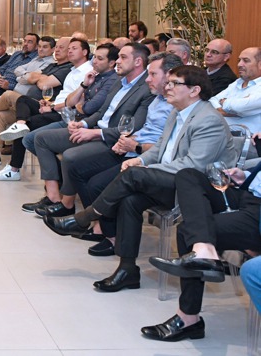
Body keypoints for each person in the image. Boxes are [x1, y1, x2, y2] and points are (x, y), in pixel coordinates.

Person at [44, 66, 238, 293]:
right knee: (130, 201)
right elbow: (160, 149)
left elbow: (194, 166)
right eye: (168, 82)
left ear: (195, 90)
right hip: (170, 179)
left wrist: (146, 168)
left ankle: (84, 218)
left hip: (197, 190)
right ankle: (127, 270)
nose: (167, 87)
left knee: (133, 175)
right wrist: (141, 160)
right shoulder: (177, 112)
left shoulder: (208, 120)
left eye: (175, 83)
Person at [70, 52, 181, 255]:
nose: (147, 79)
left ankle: (107, 233)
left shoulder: (177, 107)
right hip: (135, 149)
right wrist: (127, 142)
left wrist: (135, 147)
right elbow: (146, 130)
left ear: (170, 75)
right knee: (77, 167)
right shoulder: (158, 99)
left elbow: (167, 147)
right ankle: (100, 227)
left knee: (97, 184)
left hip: (149, 159)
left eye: (153, 74)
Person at [24, 43, 154, 211]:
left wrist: (94, 133)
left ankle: (67, 205)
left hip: (113, 140)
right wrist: (83, 124)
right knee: (41, 139)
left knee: (71, 156)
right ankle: (53, 197)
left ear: (138, 62)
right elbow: (101, 112)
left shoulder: (146, 89)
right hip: (94, 129)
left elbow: (133, 128)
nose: (118, 61)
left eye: (123, 57)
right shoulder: (119, 82)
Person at [142, 161, 261, 341]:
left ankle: (188, 318)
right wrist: (246, 175)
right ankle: (204, 250)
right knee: (188, 176)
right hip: (248, 194)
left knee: (187, 231)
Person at [0, 37, 83, 171]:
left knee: (9, 95)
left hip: (40, 105)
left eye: (61, 47)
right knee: (0, 116)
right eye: (57, 47)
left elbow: (43, 84)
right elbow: (29, 76)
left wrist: (38, 79)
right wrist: (35, 78)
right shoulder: (53, 66)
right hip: (29, 105)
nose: (57, 50)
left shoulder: (66, 69)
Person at [210, 46, 261, 132]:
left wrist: (224, 102)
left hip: (247, 137)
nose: (239, 64)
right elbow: (212, 100)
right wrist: (234, 111)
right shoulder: (238, 82)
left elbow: (240, 107)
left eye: (246, 60)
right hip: (221, 133)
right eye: (239, 60)